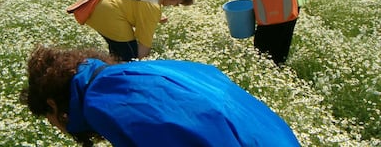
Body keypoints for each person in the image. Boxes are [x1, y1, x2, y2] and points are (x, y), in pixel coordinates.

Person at [20, 45, 301, 147]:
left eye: (50, 120)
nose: (58, 126)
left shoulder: (100, 103)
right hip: (272, 134)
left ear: (53, 104)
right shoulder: (124, 77)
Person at [67, 0, 193, 61]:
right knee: (129, 56)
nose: (175, 6)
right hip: (106, 13)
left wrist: (157, 13)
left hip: (99, 1)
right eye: (178, 3)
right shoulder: (152, 7)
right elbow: (144, 46)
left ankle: (111, 68)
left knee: (118, 52)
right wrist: (138, 65)